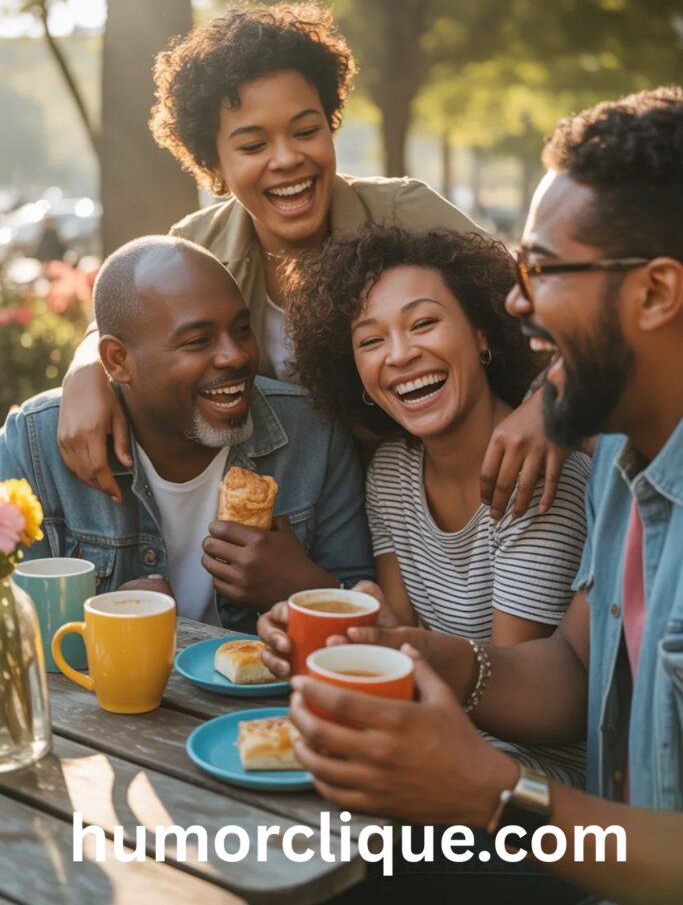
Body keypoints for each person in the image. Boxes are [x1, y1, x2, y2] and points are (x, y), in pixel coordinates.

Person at [258, 86, 683, 903]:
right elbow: (569, 669)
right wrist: (428, 656)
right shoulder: (629, 469)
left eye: (545, 270)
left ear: (657, 293)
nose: (520, 300)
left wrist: (491, 794)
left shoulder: (567, 472)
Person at [57, 0, 564, 521]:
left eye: (306, 131)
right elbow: (122, 327)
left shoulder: (402, 212)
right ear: (214, 162)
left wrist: (546, 407)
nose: (287, 158)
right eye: (253, 144)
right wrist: (85, 369)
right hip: (294, 520)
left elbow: (553, 302)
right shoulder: (199, 245)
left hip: (440, 504)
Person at [282, 223, 588, 785]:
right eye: (370, 340)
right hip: (435, 744)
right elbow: (404, 641)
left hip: (529, 779)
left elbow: (514, 704)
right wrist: (355, 617)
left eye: (424, 323)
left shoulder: (540, 474)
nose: (400, 354)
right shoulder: (392, 474)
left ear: (482, 335)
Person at [0, 236, 373, 632]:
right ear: (117, 360)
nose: (236, 356)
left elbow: (367, 613)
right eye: (198, 341)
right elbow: (12, 630)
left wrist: (304, 589)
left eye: (242, 329)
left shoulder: (312, 430)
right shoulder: (33, 448)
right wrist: (111, 623)